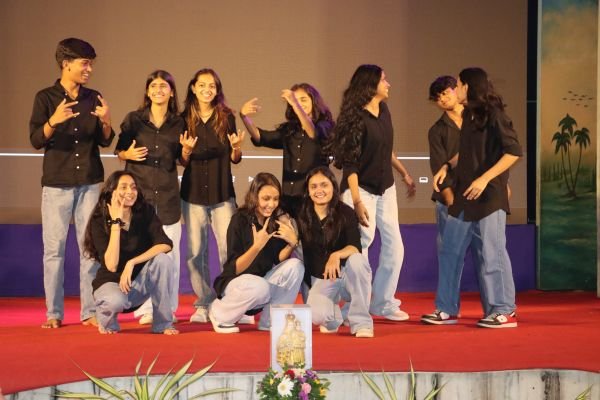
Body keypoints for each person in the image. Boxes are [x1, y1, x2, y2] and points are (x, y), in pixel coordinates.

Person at [424, 67, 522, 328]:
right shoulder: (468, 115)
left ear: (468, 86)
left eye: (458, 84)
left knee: (492, 253)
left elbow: (513, 151)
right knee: (450, 250)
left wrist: (485, 179)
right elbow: (467, 152)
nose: (455, 89)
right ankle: (446, 309)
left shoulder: (495, 114)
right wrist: (447, 166)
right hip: (465, 196)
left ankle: (504, 310)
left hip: (489, 196)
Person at [29, 38, 114, 329]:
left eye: (91, 64)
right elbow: (35, 140)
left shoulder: (94, 97)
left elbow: (105, 140)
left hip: (89, 181)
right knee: (54, 251)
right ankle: (53, 313)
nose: (89, 69)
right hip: (57, 184)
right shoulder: (45, 98)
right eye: (84, 63)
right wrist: (52, 121)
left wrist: (106, 121)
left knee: (89, 249)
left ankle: (89, 311)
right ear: (66, 64)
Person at [331, 64, 416, 322]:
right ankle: (354, 306)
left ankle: (383, 303)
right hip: (359, 190)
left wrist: (404, 173)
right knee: (361, 245)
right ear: (370, 85)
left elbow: (386, 150)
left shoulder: (384, 111)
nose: (388, 84)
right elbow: (350, 165)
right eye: (384, 80)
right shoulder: (354, 119)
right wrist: (357, 201)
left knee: (395, 245)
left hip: (385, 187)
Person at [114, 70, 185, 325]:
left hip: (167, 198)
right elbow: (119, 150)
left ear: (171, 92)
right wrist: (127, 155)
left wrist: (187, 151)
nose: (158, 90)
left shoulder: (179, 123)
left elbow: (183, 159)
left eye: (164, 86)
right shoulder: (134, 119)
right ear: (147, 91)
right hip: (140, 199)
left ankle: (167, 308)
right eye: (153, 86)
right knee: (143, 252)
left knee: (170, 257)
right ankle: (145, 308)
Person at [179, 68, 245, 323]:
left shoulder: (226, 117)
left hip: (222, 193)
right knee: (196, 253)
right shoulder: (183, 118)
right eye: (202, 85)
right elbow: (181, 160)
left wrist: (236, 149)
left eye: (212, 86)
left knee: (229, 250)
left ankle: (231, 302)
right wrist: (186, 152)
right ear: (193, 87)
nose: (207, 90)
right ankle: (204, 303)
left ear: (217, 90)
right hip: (193, 194)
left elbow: (235, 158)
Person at [83, 171, 178, 335]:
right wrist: (116, 223)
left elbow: (165, 244)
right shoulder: (99, 219)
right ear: (112, 191)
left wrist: (132, 262)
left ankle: (163, 324)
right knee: (114, 302)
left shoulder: (145, 211)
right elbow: (111, 265)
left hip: (138, 285)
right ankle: (107, 321)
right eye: (124, 187)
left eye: (133, 187)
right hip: (112, 283)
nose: (130, 192)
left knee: (163, 261)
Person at [210, 173, 304, 333]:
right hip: (236, 284)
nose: (271, 204)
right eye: (266, 198)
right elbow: (235, 268)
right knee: (259, 286)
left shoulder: (274, 221)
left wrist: (292, 243)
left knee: (296, 266)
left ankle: (271, 320)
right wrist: (257, 246)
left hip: (261, 286)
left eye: (275, 199)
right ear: (255, 197)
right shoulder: (240, 219)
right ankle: (219, 314)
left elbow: (278, 258)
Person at [298, 167, 374, 338]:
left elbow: (355, 246)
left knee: (357, 260)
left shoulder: (346, 212)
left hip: (346, 276)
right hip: (322, 279)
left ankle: (362, 323)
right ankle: (334, 318)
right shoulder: (302, 213)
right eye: (314, 186)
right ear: (308, 191)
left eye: (324, 185)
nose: (319, 190)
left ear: (333, 186)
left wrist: (336, 255)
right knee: (315, 314)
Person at [240, 83, 334, 218]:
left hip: (313, 198)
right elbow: (261, 137)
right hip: (289, 199)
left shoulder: (325, 126)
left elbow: (312, 133)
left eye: (303, 100)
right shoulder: (289, 130)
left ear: (314, 102)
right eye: (295, 100)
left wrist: (295, 103)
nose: (299, 103)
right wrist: (244, 117)